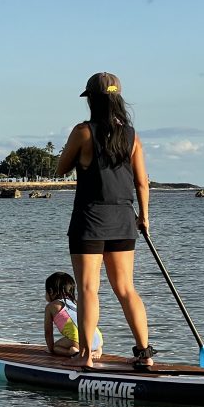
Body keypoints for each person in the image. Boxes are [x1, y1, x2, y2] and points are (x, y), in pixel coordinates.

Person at [57, 72, 153, 368]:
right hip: (125, 218)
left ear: (92, 100)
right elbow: (142, 183)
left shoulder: (83, 131)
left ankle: (86, 357)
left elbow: (61, 168)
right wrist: (145, 218)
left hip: (90, 220)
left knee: (88, 289)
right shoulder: (132, 135)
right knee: (126, 288)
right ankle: (144, 355)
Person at [44, 271, 103, 358]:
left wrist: (51, 349)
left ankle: (73, 352)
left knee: (56, 347)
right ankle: (98, 350)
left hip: (78, 341)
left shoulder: (51, 306)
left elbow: (48, 332)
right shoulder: (76, 303)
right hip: (97, 339)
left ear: (51, 291)